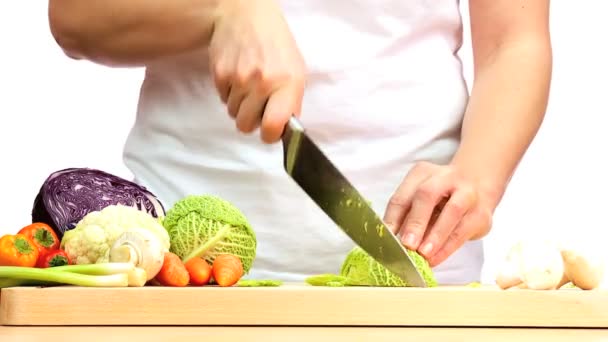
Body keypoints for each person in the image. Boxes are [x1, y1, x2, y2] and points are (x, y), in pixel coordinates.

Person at [47, 0, 552, 284]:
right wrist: (220, 11)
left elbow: (516, 42)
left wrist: (478, 177)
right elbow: (75, 16)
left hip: (420, 275)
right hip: (180, 274)